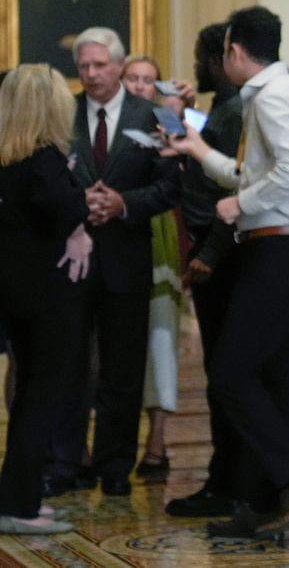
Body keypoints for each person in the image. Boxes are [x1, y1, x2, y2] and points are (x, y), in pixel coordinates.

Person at [163, 6, 289, 539]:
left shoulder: (274, 98)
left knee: (232, 373)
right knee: (275, 380)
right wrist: (197, 150)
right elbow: (250, 172)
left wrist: (243, 204)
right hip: (288, 251)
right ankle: (266, 503)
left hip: (281, 252)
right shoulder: (276, 94)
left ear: (234, 50)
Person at [45, 28, 180, 499]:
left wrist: (124, 203)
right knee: (69, 367)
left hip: (127, 257)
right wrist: (78, 203)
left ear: (119, 65)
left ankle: (115, 465)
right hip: (72, 261)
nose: (91, 73)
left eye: (100, 65)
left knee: (123, 369)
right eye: (83, 66)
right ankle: (65, 464)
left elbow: (171, 187)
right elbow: (46, 176)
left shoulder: (156, 116)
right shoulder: (61, 115)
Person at [0, 65, 92, 534]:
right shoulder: (44, 158)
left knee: (30, 394)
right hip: (49, 297)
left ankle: (17, 494)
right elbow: (69, 208)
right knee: (42, 398)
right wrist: (80, 209)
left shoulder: (8, 158)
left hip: (16, 295)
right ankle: (20, 505)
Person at [163, 23, 244, 518]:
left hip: (222, 263)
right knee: (221, 375)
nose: (194, 67)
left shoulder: (234, 112)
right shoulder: (224, 109)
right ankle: (225, 478)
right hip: (215, 257)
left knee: (226, 376)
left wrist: (207, 254)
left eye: (198, 56)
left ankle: (230, 483)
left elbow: (228, 196)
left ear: (217, 60)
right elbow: (205, 139)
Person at [120, 55, 195, 484]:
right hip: (114, 232)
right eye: (133, 78)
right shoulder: (107, 119)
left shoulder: (167, 116)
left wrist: (187, 107)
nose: (141, 86)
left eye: (149, 80)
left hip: (161, 235)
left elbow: (203, 144)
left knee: (161, 336)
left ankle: (158, 441)